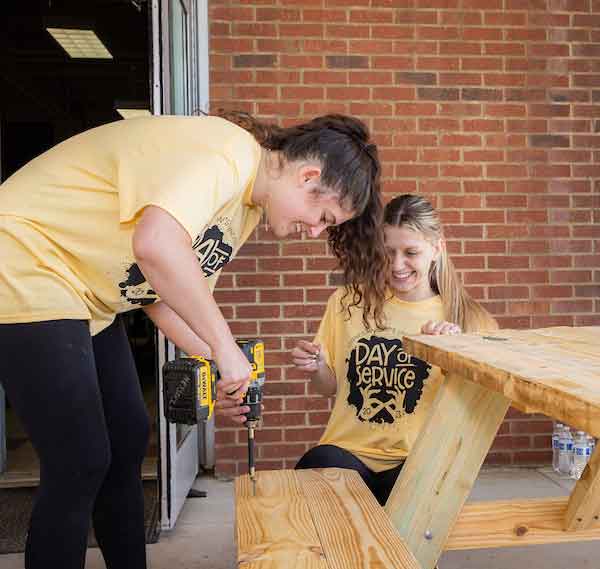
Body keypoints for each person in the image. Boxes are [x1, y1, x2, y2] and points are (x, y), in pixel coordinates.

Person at [0, 110, 386, 569]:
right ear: (308, 176)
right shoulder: (225, 151)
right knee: (78, 459)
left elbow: (163, 292)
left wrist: (217, 362)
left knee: (127, 438)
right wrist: (224, 350)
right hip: (24, 258)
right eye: (324, 216)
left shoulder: (242, 209)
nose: (317, 231)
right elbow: (157, 246)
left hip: (85, 294)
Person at [291, 193, 498, 506]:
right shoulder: (348, 303)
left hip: (417, 458)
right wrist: (318, 366)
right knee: (317, 464)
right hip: (349, 453)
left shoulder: (470, 319)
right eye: (388, 252)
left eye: (410, 252)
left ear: (437, 248)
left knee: (414, 497)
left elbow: (478, 411)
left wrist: (450, 354)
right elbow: (328, 387)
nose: (397, 265)